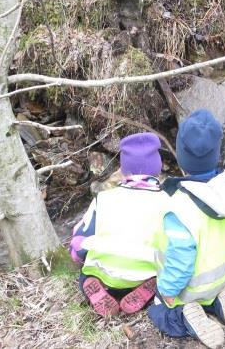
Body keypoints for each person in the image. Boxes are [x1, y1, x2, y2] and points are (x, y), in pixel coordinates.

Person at [147, 109, 225, 349]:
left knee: (159, 308)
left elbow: (181, 256)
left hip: (188, 289)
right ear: (216, 154)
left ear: (181, 158)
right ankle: (222, 297)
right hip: (219, 278)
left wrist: (169, 290)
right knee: (219, 289)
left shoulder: (179, 206)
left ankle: (185, 316)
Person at [70, 132, 167, 317]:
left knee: (86, 275)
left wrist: (77, 254)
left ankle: (97, 288)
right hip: (143, 273)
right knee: (161, 274)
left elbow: (79, 245)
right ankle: (148, 288)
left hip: (103, 274)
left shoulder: (103, 198)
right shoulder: (168, 201)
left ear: (123, 169)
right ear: (158, 167)